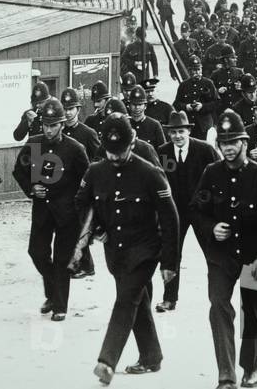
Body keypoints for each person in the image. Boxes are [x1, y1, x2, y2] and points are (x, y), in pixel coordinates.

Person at [75, 113, 179, 384]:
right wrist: (96, 232)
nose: (115, 157)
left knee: (125, 300)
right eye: (110, 152)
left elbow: (170, 219)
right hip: (116, 252)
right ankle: (151, 356)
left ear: (132, 144)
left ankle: (107, 361)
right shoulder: (96, 172)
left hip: (145, 250)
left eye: (120, 152)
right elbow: (81, 204)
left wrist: (170, 263)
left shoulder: (150, 173)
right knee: (137, 299)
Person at [191, 110, 257, 389]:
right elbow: (196, 210)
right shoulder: (211, 174)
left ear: (245, 143)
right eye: (224, 143)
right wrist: (211, 227)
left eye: (234, 142)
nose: (229, 148)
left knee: (253, 313)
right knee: (218, 307)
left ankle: (250, 368)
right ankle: (226, 375)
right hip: (222, 258)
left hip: (255, 258)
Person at [13, 98, 89, 321]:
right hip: (42, 211)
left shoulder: (75, 149)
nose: (49, 129)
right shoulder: (34, 144)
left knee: (62, 259)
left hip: (67, 215)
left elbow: (87, 180)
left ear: (62, 124)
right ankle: (53, 293)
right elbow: (19, 171)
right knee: (36, 252)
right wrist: (31, 188)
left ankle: (60, 306)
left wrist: (79, 207)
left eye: (53, 125)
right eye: (46, 124)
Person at [154, 110, 220, 312]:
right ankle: (169, 298)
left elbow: (218, 175)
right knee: (171, 253)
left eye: (181, 131)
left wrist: (212, 203)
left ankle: (217, 298)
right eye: (173, 132)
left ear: (188, 131)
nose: (177, 136)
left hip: (201, 211)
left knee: (212, 253)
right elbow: (158, 180)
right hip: (175, 212)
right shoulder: (163, 152)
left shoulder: (204, 150)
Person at [61, 87, 100, 279]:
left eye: (71, 108)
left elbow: (98, 158)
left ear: (78, 109)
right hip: (63, 189)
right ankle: (74, 262)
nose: (68, 113)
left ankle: (87, 265)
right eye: (65, 108)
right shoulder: (59, 132)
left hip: (82, 188)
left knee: (80, 227)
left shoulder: (88, 133)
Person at [173, 55, 219, 140]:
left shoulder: (208, 83)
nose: (197, 72)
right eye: (194, 70)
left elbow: (217, 103)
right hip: (189, 125)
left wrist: (203, 107)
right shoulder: (183, 85)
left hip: (205, 127)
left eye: (199, 69)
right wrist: (186, 107)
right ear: (189, 71)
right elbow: (176, 104)